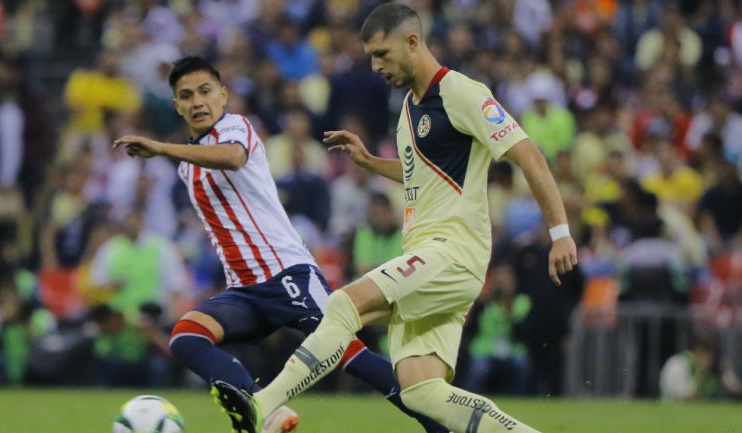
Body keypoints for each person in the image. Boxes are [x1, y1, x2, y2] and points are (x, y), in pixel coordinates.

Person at [213, 4, 578, 433]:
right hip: (428, 257)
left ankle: (262, 405)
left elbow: (528, 155)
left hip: (452, 252)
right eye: (371, 56)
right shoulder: (408, 110)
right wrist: (370, 162)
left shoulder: (461, 92)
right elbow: (418, 175)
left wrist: (560, 233)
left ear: (412, 42)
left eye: (382, 54)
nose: (375, 66)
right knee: (420, 391)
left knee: (344, 303)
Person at [113, 56, 447, 433]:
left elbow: (233, 158)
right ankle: (266, 412)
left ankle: (440, 423)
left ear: (223, 95)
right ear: (176, 105)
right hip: (245, 292)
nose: (197, 102)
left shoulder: (236, 128)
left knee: (350, 356)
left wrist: (161, 147)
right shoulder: (187, 167)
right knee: (187, 336)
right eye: (186, 95)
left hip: (287, 274)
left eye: (205, 91)